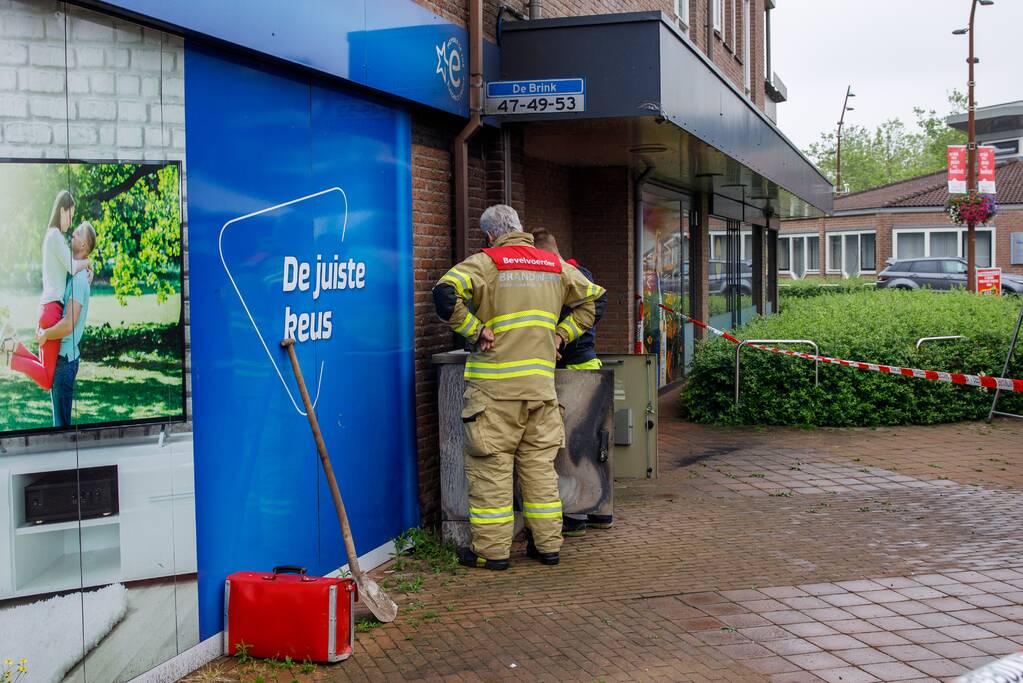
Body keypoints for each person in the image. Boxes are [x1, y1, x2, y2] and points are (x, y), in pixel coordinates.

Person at [433, 205, 605, 570]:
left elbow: (444, 294)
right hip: (540, 391)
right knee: (540, 471)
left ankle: (492, 553)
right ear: (519, 228)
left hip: (494, 393)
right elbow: (595, 300)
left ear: (490, 235)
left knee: (492, 472)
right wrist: (562, 334)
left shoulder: (486, 263)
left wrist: (475, 330)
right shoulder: (554, 265)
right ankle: (548, 547)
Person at [530, 229, 612, 537]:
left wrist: (558, 336)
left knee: (569, 448)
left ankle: (576, 516)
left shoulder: (566, 276)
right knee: (593, 444)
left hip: (570, 368)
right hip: (587, 367)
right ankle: (600, 510)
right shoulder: (581, 273)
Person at [5, 222, 96, 427]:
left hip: (65, 360)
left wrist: (46, 333)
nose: (73, 233)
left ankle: (12, 352)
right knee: (58, 423)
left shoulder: (79, 280)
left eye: (78, 233)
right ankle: (13, 347)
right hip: (60, 354)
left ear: (84, 245)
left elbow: (68, 324)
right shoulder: (73, 273)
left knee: (61, 428)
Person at [3, 190, 91, 391]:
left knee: (44, 371)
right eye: (70, 215)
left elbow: (67, 272)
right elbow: (72, 267)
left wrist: (86, 269)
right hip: (52, 310)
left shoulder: (52, 236)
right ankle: (9, 358)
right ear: (62, 211)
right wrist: (87, 263)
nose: (71, 221)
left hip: (47, 308)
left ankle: (13, 345)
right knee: (46, 380)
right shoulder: (55, 236)